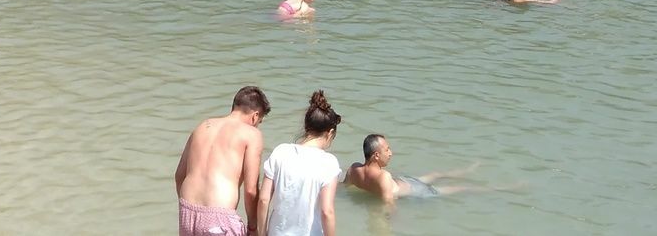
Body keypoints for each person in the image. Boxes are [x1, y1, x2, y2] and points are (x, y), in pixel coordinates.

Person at [175, 86, 270, 236]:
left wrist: (190, 209)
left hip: (187, 211)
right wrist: (253, 227)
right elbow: (251, 191)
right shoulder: (252, 134)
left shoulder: (202, 126)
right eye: (260, 121)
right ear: (255, 116)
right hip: (219, 218)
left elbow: (179, 175)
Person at [256, 91, 342, 236]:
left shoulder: (280, 152)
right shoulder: (329, 163)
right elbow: (327, 212)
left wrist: (262, 233)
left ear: (306, 126)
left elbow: (264, 200)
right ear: (330, 133)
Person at [344, 134, 473, 204]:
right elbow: (388, 206)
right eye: (387, 149)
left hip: (404, 182)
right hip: (417, 190)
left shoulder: (353, 169)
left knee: (436, 175)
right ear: (376, 155)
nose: (390, 153)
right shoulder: (383, 177)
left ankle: (467, 172)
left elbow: (342, 187)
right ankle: (479, 181)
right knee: (458, 187)